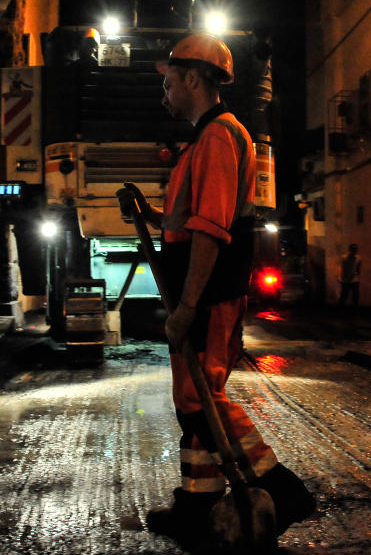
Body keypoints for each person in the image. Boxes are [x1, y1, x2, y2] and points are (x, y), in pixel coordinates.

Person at [117, 33, 315, 545]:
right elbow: (191, 218)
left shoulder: (221, 137)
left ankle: (282, 489)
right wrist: (152, 214)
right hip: (200, 288)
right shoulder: (204, 141)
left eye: (168, 80)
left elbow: (211, 230)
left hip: (208, 292)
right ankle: (197, 506)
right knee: (193, 400)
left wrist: (186, 305)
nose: (164, 90)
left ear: (192, 78)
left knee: (204, 398)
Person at [338, 243, 361, 309]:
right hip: (345, 279)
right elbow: (341, 267)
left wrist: (357, 276)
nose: (354, 251)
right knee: (343, 296)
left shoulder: (358, 258)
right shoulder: (344, 257)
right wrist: (340, 277)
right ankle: (340, 311)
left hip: (354, 280)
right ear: (349, 250)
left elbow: (358, 269)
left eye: (355, 250)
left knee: (355, 296)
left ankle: (354, 311)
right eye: (353, 249)